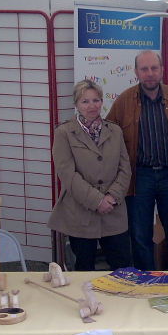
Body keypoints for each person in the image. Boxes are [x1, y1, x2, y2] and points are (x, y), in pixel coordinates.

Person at [107, 50, 168, 271]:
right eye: (144, 69)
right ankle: (146, 283)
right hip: (138, 178)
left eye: (154, 68)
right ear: (136, 72)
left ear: (162, 70)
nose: (150, 73)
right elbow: (109, 142)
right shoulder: (123, 102)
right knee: (140, 237)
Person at [48, 80, 132, 271]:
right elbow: (67, 174)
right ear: (76, 104)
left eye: (96, 100)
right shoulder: (64, 133)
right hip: (80, 214)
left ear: (102, 102)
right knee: (83, 269)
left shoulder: (115, 131)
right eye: (85, 101)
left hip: (113, 211)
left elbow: (125, 168)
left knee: (123, 268)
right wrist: (97, 201)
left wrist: (111, 197)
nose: (91, 106)